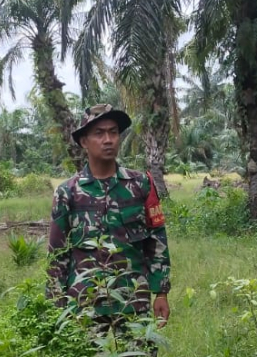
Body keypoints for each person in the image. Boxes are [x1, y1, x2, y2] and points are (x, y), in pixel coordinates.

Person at [46, 103, 171, 352]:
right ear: (84, 141)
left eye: (113, 132)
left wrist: (161, 291)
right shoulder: (68, 192)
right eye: (99, 133)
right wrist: (54, 304)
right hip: (84, 303)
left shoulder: (141, 184)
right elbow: (57, 253)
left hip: (133, 298)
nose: (108, 140)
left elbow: (157, 240)